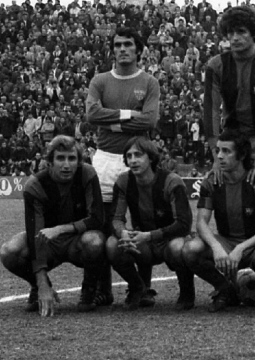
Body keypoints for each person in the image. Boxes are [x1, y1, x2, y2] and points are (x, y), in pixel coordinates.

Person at [83, 27, 161, 308]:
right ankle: (104, 289)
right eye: (118, 45)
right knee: (105, 226)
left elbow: (150, 122)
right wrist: (130, 116)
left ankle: (143, 288)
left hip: (139, 158)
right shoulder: (100, 80)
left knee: (143, 223)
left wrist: (111, 119)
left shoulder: (149, 82)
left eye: (128, 44)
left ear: (138, 50)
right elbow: (92, 115)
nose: (122, 49)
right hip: (105, 158)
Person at [0, 135, 106, 316]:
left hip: (77, 241)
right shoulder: (35, 184)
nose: (66, 165)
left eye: (72, 158)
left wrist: (60, 229)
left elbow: (97, 219)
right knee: (9, 251)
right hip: (48, 243)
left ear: (79, 161)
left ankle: (90, 289)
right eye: (60, 158)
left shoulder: (87, 174)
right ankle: (37, 287)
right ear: (50, 161)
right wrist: (42, 282)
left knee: (95, 240)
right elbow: (35, 236)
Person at [182, 129, 255, 312]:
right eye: (218, 151)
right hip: (226, 243)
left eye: (226, 151)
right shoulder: (211, 182)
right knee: (190, 249)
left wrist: (241, 248)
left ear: (242, 154)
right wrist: (216, 247)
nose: (219, 157)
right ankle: (225, 289)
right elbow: (201, 223)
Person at [201, 5, 255, 196]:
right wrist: (216, 154)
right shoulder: (216, 65)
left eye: (241, 32)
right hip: (232, 143)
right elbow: (211, 110)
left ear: (254, 34)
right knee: (236, 205)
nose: (234, 38)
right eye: (230, 32)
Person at [105, 137, 193, 310]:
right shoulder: (123, 181)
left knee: (177, 247)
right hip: (142, 243)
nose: (133, 160)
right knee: (112, 244)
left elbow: (183, 224)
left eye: (138, 155)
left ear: (151, 157)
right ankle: (139, 288)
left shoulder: (171, 181)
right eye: (129, 156)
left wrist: (150, 235)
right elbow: (116, 218)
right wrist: (122, 232)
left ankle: (187, 291)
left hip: (169, 240)